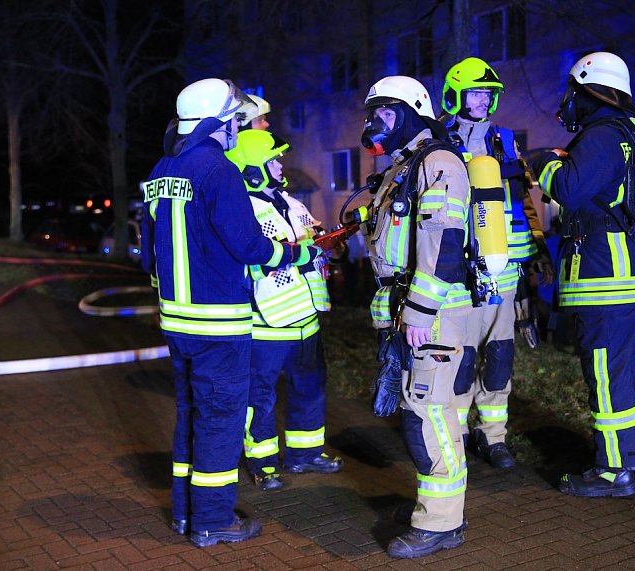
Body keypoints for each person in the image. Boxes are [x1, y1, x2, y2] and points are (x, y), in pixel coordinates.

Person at [140, 78, 320, 547]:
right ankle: (214, 520)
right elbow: (249, 246)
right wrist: (294, 254)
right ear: (219, 124)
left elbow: (147, 256)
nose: (238, 130)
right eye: (235, 121)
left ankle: (186, 512)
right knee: (220, 420)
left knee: (190, 415)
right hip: (219, 323)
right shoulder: (218, 170)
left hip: (175, 323)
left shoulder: (162, 168)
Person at [529, 52, 635, 497]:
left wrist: (542, 160)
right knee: (628, 377)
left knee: (605, 374)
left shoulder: (603, 136)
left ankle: (612, 471)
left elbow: (568, 188)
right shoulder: (625, 134)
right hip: (626, 276)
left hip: (606, 280)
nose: (568, 102)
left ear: (588, 90)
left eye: (573, 93)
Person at [360, 75, 475, 558]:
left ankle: (441, 525)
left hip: (432, 313)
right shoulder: (406, 166)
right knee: (435, 415)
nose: (373, 124)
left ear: (410, 111)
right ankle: (440, 515)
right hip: (415, 311)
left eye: (383, 113)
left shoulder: (439, 162)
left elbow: (443, 242)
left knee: (428, 419)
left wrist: (420, 309)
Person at [439, 56, 553, 470]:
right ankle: (458, 431)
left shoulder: (506, 141)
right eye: (474, 93)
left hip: (506, 269)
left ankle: (494, 436)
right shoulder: (438, 141)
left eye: (488, 94)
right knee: (462, 355)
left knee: (500, 354)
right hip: (459, 269)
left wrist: (538, 247)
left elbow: (525, 201)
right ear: (456, 95)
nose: (482, 101)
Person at [225, 129, 342, 492]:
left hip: (306, 319)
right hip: (267, 325)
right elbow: (247, 262)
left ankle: (304, 454)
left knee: (310, 387)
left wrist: (332, 241)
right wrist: (298, 252)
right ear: (252, 170)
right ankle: (262, 464)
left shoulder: (292, 204)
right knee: (259, 398)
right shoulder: (241, 211)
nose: (279, 165)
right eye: (271, 160)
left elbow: (312, 241)